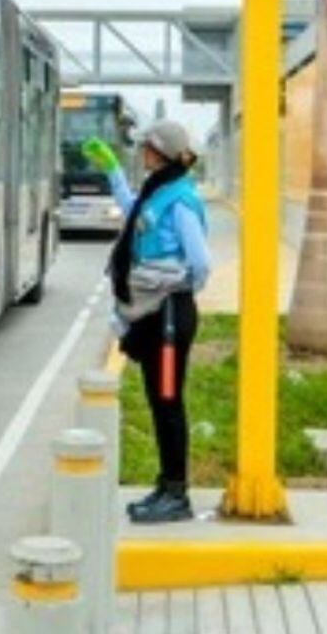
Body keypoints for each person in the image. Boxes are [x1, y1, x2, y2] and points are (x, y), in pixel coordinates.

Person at [84, 119, 211, 524]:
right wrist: (111, 170)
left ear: (161, 152)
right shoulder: (157, 192)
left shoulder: (181, 200)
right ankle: (166, 484)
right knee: (159, 401)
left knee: (169, 401)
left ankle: (177, 495)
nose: (141, 153)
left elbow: (201, 263)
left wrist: (170, 286)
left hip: (170, 316)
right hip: (157, 315)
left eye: (146, 148)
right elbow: (130, 207)